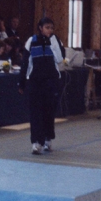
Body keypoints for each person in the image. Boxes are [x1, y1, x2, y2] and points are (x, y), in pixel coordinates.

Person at [18, 17, 64, 155]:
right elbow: (25, 63)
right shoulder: (31, 42)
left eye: (51, 28)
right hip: (35, 83)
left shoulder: (55, 41)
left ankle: (48, 138)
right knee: (35, 113)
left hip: (51, 82)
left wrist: (53, 42)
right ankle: (36, 143)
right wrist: (21, 82)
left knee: (49, 112)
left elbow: (60, 59)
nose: (49, 30)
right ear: (40, 28)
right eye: (47, 27)